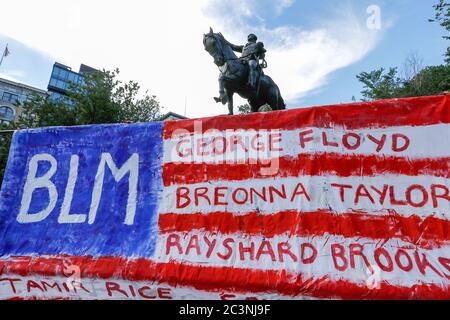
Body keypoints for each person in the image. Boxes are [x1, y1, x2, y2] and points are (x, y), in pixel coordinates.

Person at [214, 34, 267, 104]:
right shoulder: (243, 47)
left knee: (251, 65)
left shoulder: (257, 45)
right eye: (249, 36)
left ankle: (252, 84)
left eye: (251, 36)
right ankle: (224, 94)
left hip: (252, 60)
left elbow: (262, 54)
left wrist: (261, 49)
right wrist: (223, 39)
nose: (249, 37)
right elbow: (232, 46)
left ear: (254, 39)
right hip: (242, 61)